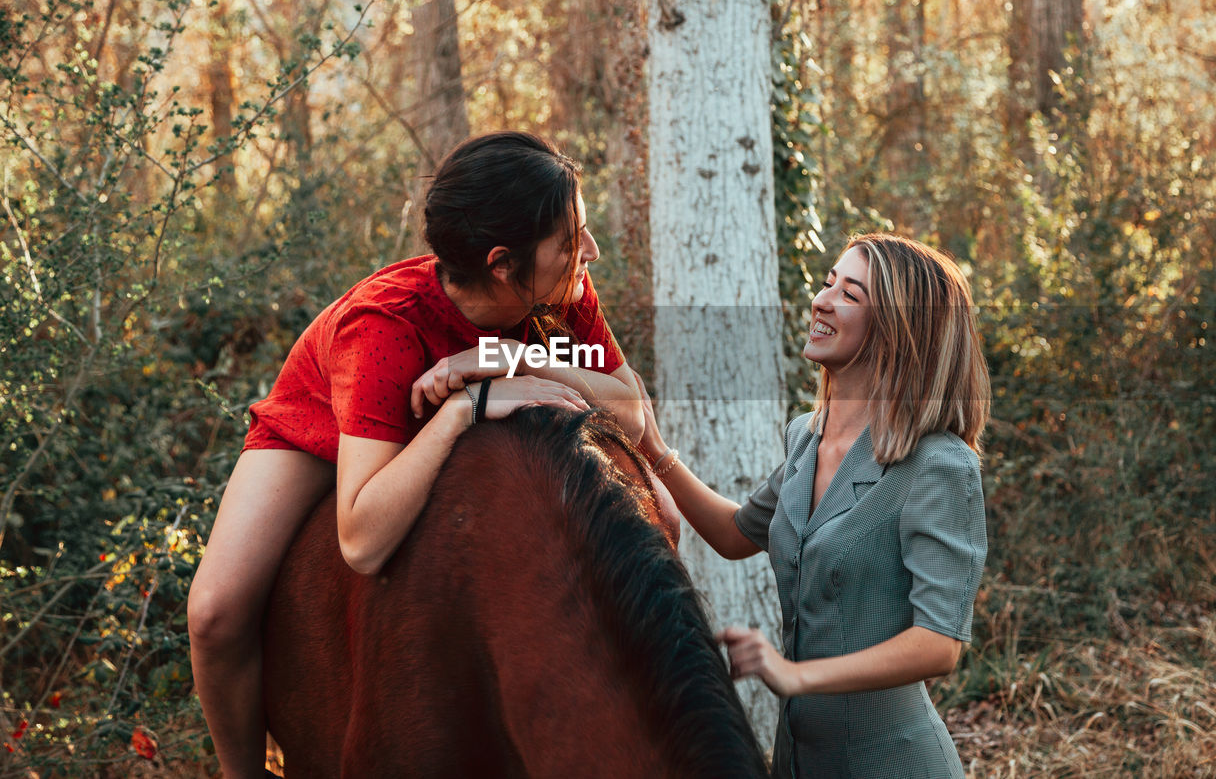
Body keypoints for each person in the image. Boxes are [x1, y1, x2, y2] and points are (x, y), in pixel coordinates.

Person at [187, 132, 643, 779]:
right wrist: (466, 408)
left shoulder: (561, 293)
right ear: (503, 264)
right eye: (572, 242)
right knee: (214, 609)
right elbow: (363, 542)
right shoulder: (383, 325)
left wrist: (519, 358)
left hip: (442, 405)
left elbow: (631, 409)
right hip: (320, 429)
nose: (589, 253)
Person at [637, 232, 990, 778]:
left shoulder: (939, 464)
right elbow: (735, 534)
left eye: (850, 294)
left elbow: (939, 643)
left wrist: (796, 675)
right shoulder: (806, 437)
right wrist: (652, 447)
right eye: (828, 284)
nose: (822, 301)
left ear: (898, 329)